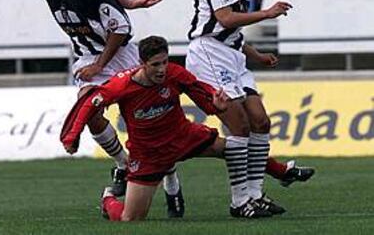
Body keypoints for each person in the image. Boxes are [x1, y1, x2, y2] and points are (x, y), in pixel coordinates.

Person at [32, 0, 185, 217]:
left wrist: (99, 65)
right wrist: (129, 2)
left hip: (119, 55)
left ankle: (172, 181)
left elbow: (121, 28)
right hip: (89, 56)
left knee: (150, 123)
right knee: (88, 108)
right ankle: (124, 164)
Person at [60, 35, 274, 220]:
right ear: (142, 63)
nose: (162, 69)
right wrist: (72, 137)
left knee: (236, 146)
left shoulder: (175, 73)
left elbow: (200, 90)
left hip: (184, 138)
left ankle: (241, 202)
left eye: (164, 62)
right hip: (148, 154)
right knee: (130, 218)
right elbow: (89, 103)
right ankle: (108, 199)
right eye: (155, 65)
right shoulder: (121, 85)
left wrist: (213, 104)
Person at [185, 0, 313, 212]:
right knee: (239, 127)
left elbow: (234, 33)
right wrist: (267, 13)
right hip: (209, 53)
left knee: (261, 122)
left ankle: (255, 194)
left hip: (232, 55)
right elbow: (226, 19)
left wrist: (256, 54)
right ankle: (240, 200)